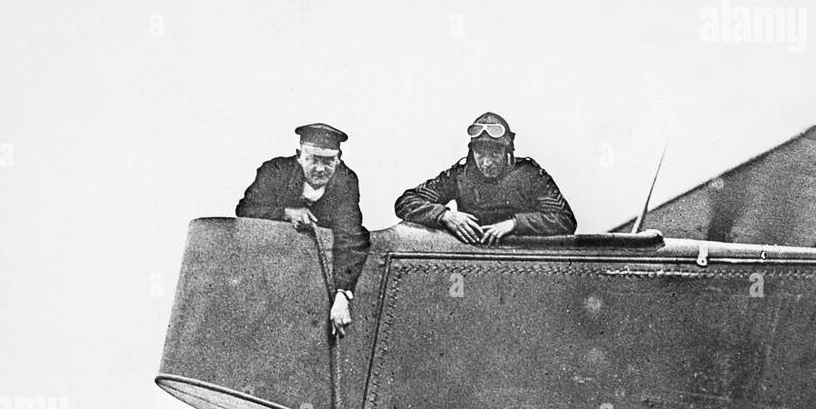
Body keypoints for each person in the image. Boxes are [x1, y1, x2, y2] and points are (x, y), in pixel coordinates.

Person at [235, 122, 370, 336]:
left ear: (338, 159)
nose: (320, 169)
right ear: (299, 155)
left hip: (311, 280)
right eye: (313, 159)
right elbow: (245, 210)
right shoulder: (275, 171)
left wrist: (342, 294)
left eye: (328, 162)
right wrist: (286, 212)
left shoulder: (346, 181)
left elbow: (351, 237)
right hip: (269, 272)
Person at [395, 112, 577, 243]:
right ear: (471, 152)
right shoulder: (460, 175)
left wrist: (514, 224)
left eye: (495, 153)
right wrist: (444, 215)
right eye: (480, 153)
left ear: (507, 152)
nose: (486, 162)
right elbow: (406, 202)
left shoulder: (531, 175)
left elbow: (564, 220)